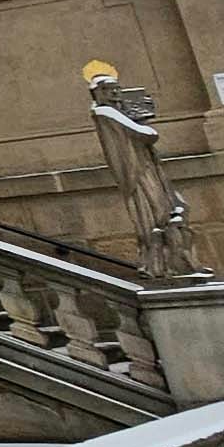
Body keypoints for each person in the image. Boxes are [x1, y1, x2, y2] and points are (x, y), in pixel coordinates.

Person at [84, 61, 203, 282]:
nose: (117, 96)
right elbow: (146, 134)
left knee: (176, 210)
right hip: (137, 172)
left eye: (118, 91)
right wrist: (139, 118)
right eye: (112, 91)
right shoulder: (104, 113)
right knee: (159, 216)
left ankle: (179, 262)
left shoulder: (112, 112)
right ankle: (162, 266)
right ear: (99, 93)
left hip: (146, 166)